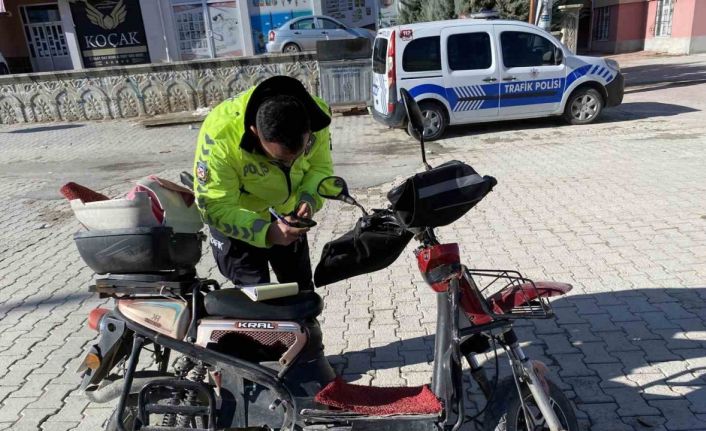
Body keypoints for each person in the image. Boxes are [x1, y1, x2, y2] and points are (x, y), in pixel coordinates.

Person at [192, 75, 333, 291]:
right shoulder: (220, 137)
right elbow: (215, 206)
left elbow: (319, 168)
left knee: (301, 292)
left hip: (287, 217)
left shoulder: (317, 115)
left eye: (297, 156)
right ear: (254, 133)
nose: (289, 165)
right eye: (279, 159)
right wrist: (266, 232)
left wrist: (309, 198)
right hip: (239, 220)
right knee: (257, 303)